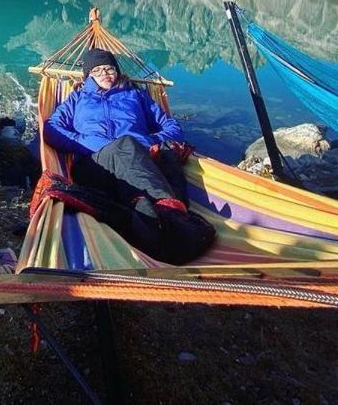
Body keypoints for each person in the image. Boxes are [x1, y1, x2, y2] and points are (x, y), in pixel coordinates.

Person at [36, 48, 215, 264]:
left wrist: (145, 143)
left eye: (109, 68)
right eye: (97, 70)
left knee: (131, 149)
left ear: (117, 71)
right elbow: (52, 129)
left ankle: (145, 218)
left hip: (136, 160)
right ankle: (171, 214)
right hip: (94, 164)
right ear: (87, 76)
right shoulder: (76, 99)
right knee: (125, 147)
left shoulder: (135, 95)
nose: (104, 73)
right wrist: (90, 143)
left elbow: (172, 128)